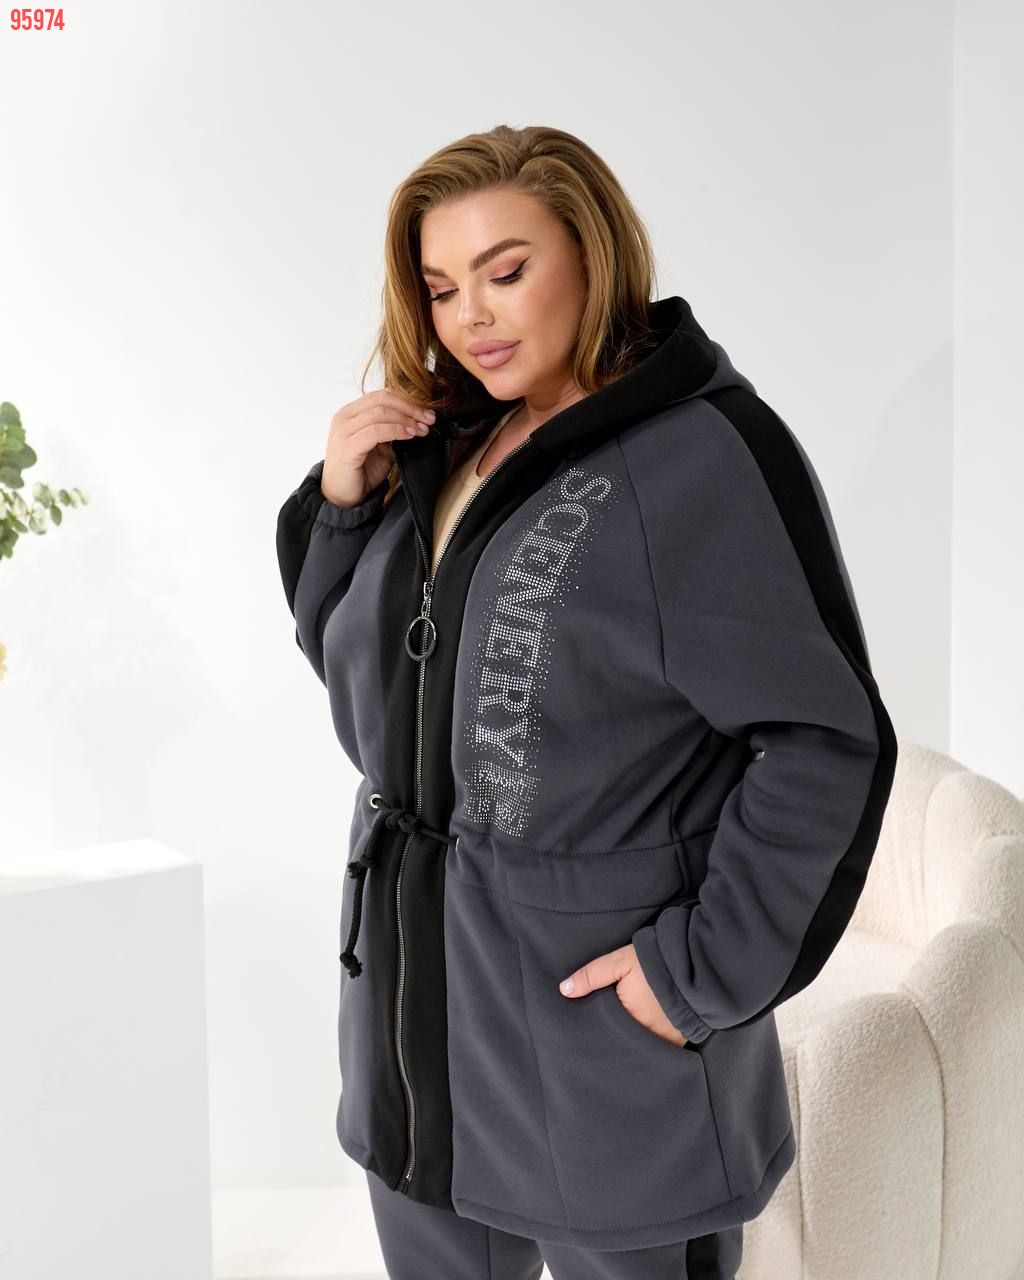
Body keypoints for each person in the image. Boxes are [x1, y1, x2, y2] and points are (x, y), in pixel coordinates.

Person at [276, 124, 898, 1280]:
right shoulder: (444, 439)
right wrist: (345, 505)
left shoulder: (700, 458)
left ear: (592, 252)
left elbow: (824, 737)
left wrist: (695, 972)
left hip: (597, 1049)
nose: (471, 317)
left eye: (506, 271)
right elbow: (376, 691)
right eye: (440, 286)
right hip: (418, 1033)